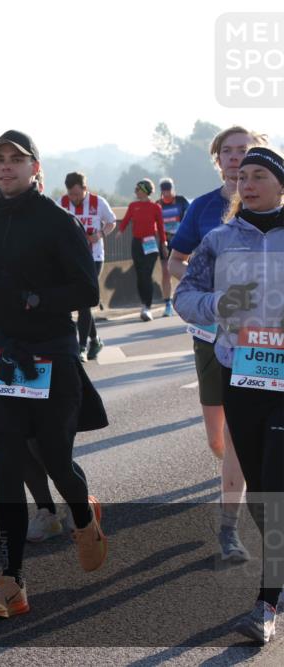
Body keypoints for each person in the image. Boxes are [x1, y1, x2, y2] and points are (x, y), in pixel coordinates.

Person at [0, 131, 108, 619]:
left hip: (50, 356)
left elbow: (87, 290)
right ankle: (11, 582)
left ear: (35, 168)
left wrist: (39, 300)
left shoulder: (58, 222)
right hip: (2, 355)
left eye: (16, 160)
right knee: (8, 463)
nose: (5, 167)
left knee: (56, 460)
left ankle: (82, 513)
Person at [174, 145, 284, 644]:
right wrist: (219, 303)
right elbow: (183, 298)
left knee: (277, 475)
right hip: (242, 374)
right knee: (263, 490)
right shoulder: (219, 239)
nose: (249, 184)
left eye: (260, 175)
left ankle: (265, 603)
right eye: (243, 178)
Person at [168, 126, 268, 562]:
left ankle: (230, 528)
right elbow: (178, 264)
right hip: (213, 334)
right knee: (218, 437)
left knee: (243, 434)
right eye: (226, 152)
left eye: (243, 152)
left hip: (262, 342)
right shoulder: (206, 210)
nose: (234, 159)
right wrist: (214, 300)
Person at [58, 172, 116, 361]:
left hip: (94, 257)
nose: (74, 199)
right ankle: (94, 339)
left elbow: (111, 222)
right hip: (71, 259)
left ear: (85, 189)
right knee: (78, 302)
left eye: (77, 194)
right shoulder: (61, 203)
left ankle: (81, 346)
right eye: (71, 195)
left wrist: (100, 234)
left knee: (84, 301)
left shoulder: (98, 203)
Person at [118, 179, 166, 321]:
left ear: (144, 191)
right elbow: (126, 220)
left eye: (137, 189)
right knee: (140, 275)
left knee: (146, 274)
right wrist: (120, 230)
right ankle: (144, 304)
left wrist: (164, 243)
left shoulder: (155, 207)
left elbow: (161, 226)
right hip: (137, 243)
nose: (135, 192)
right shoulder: (133, 206)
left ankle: (147, 306)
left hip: (150, 243)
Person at [156, 178, 190, 317]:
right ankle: (168, 304)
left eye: (168, 190)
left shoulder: (181, 201)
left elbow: (190, 216)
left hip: (181, 241)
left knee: (185, 270)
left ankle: (188, 296)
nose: (167, 194)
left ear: (172, 189)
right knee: (166, 272)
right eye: (164, 191)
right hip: (165, 241)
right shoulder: (158, 204)